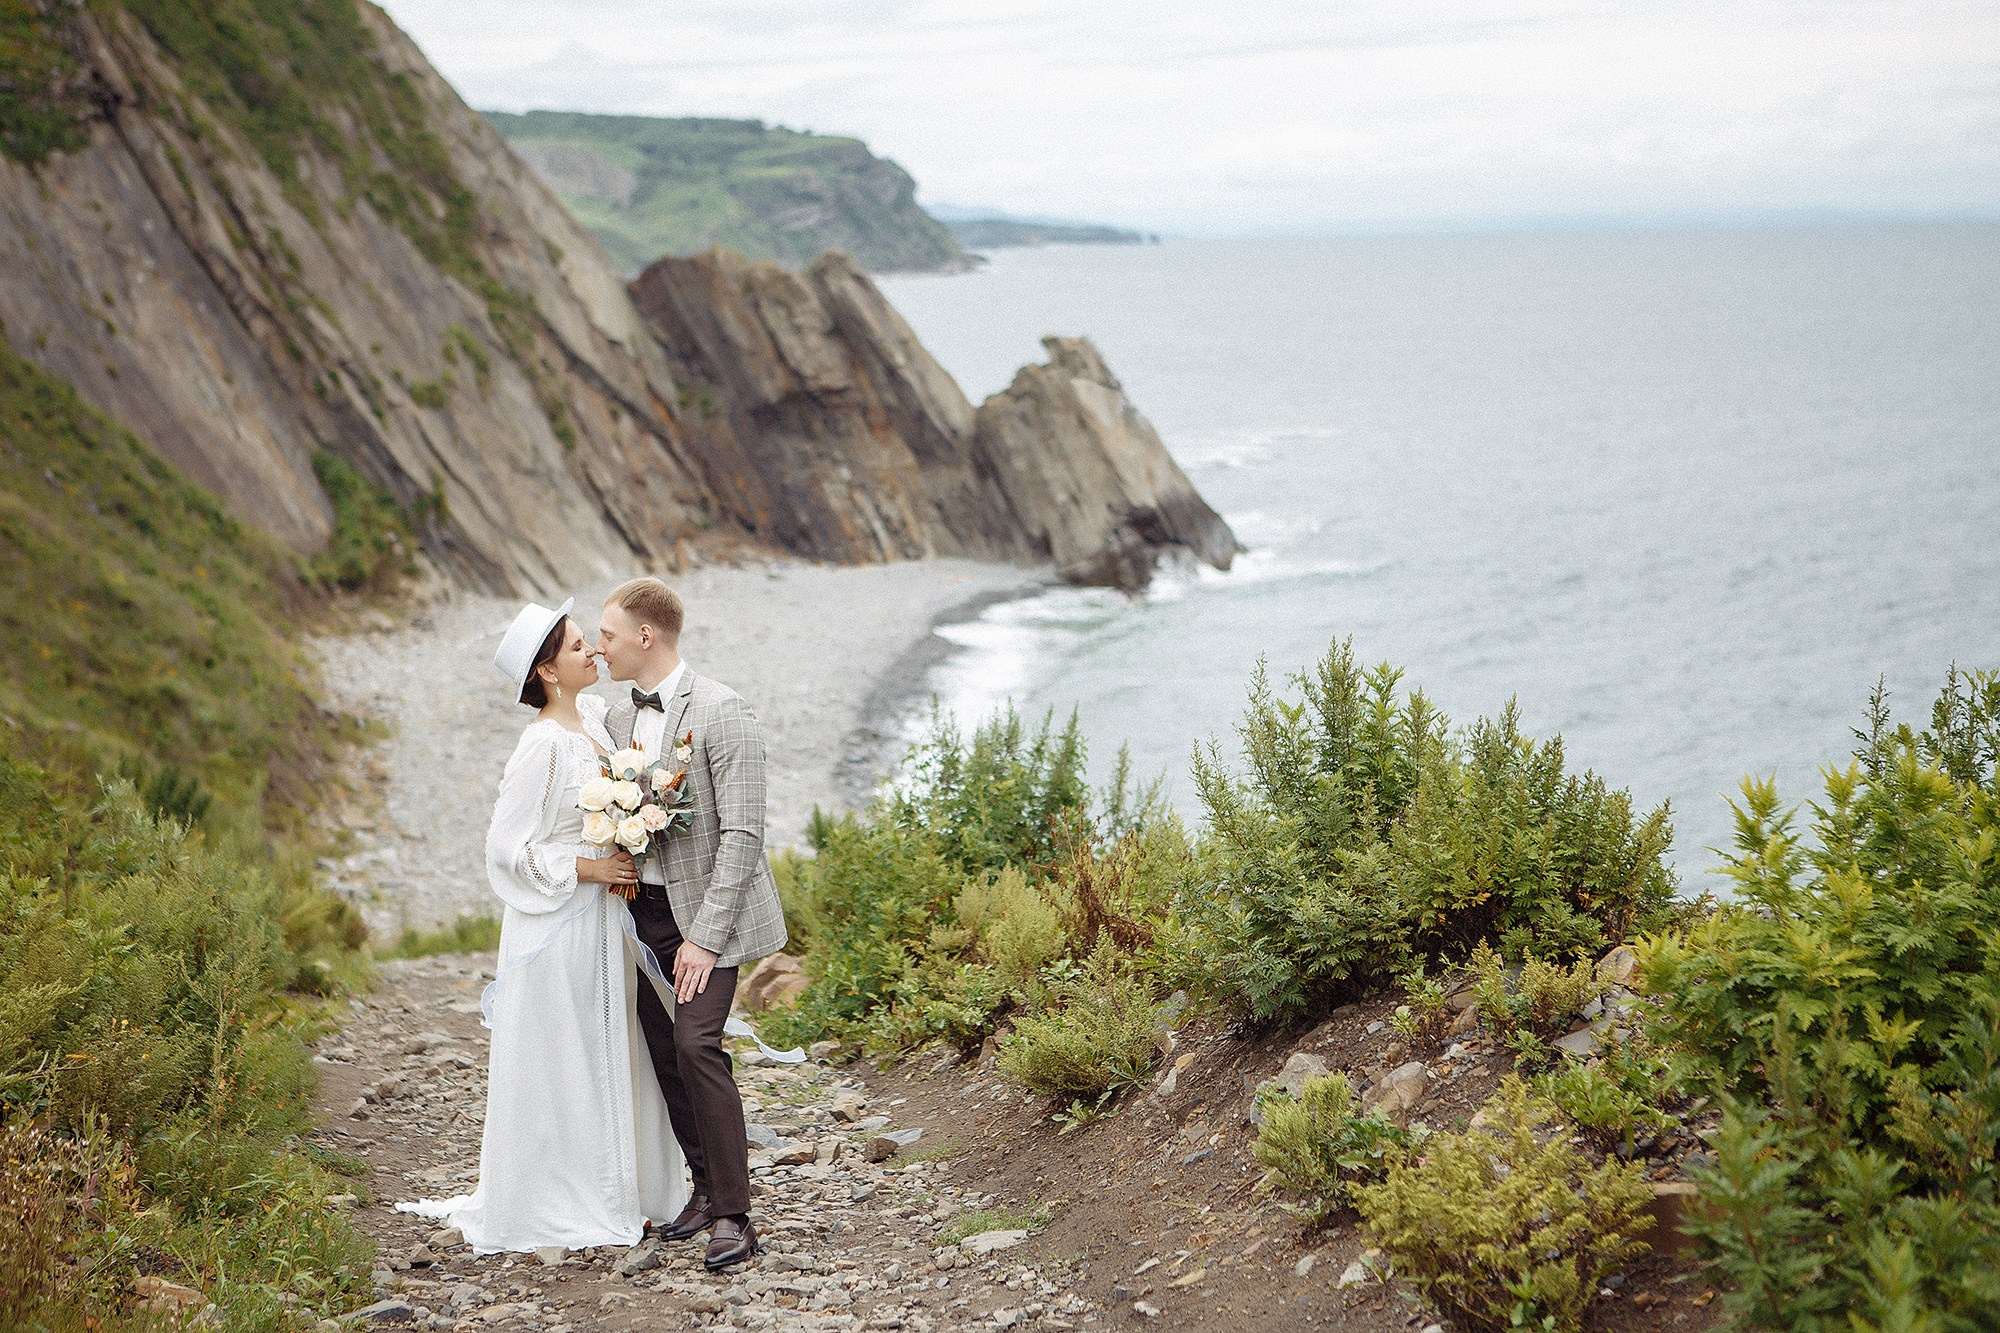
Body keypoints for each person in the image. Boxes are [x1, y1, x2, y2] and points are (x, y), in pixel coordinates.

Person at [398, 600, 688, 1254]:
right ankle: (570, 1195)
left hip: (604, 922)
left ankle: (630, 1189)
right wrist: (591, 866)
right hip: (558, 928)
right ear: (549, 670)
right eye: (581, 644)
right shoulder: (540, 745)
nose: (594, 652)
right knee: (567, 1057)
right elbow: (505, 848)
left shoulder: (592, 721)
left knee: (611, 1048)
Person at [593, 577, 788, 1271]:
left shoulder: (723, 710)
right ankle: (703, 1189)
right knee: (665, 1052)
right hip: (641, 914)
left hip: (711, 917)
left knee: (698, 1045)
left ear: (646, 635)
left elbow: (742, 833)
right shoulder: (618, 721)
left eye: (608, 634)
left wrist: (704, 937)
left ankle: (735, 1214)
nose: (598, 646)